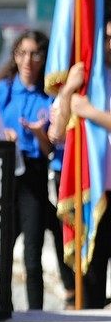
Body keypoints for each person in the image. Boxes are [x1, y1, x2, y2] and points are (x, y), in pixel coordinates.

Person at [0, 30, 61, 310]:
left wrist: (38, 134)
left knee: (32, 251)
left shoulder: (49, 96)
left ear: (43, 58)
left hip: (34, 173)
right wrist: (1, 134)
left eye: (35, 54)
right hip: (4, 172)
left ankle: (36, 312)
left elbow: (50, 151)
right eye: (22, 53)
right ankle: (1, 306)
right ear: (15, 56)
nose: (28, 60)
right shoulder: (1, 90)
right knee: (2, 247)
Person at [50, 61, 111, 309]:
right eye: (106, 38)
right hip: (92, 193)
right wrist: (67, 92)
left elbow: (86, 113)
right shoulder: (84, 81)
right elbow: (57, 133)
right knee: (92, 273)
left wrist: (91, 112)